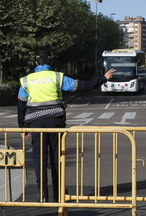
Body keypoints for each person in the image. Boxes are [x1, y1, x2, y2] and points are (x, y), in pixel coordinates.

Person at [17, 50, 115, 202]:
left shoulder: (26, 80)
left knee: (39, 159)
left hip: (35, 124)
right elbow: (81, 86)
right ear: (49, 63)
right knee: (57, 158)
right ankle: (59, 194)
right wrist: (103, 79)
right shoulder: (57, 77)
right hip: (55, 122)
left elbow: (21, 105)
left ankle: (42, 194)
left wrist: (22, 126)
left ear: (36, 63)